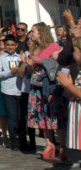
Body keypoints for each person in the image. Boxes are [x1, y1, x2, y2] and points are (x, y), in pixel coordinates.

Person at [25, 22, 65, 160]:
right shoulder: (34, 48)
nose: (31, 34)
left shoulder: (53, 47)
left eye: (33, 31)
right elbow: (31, 70)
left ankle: (63, 146)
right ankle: (49, 144)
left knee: (54, 115)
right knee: (42, 115)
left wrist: (41, 61)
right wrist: (30, 65)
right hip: (36, 86)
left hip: (50, 87)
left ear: (41, 33)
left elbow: (57, 64)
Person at [0, 35, 24, 150]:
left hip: (20, 89)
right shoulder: (1, 58)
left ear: (16, 45)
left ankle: (22, 139)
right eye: (8, 45)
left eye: (12, 45)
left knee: (20, 116)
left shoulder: (20, 57)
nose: (10, 47)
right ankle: (13, 141)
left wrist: (20, 68)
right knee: (11, 116)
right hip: (7, 90)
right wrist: (9, 73)